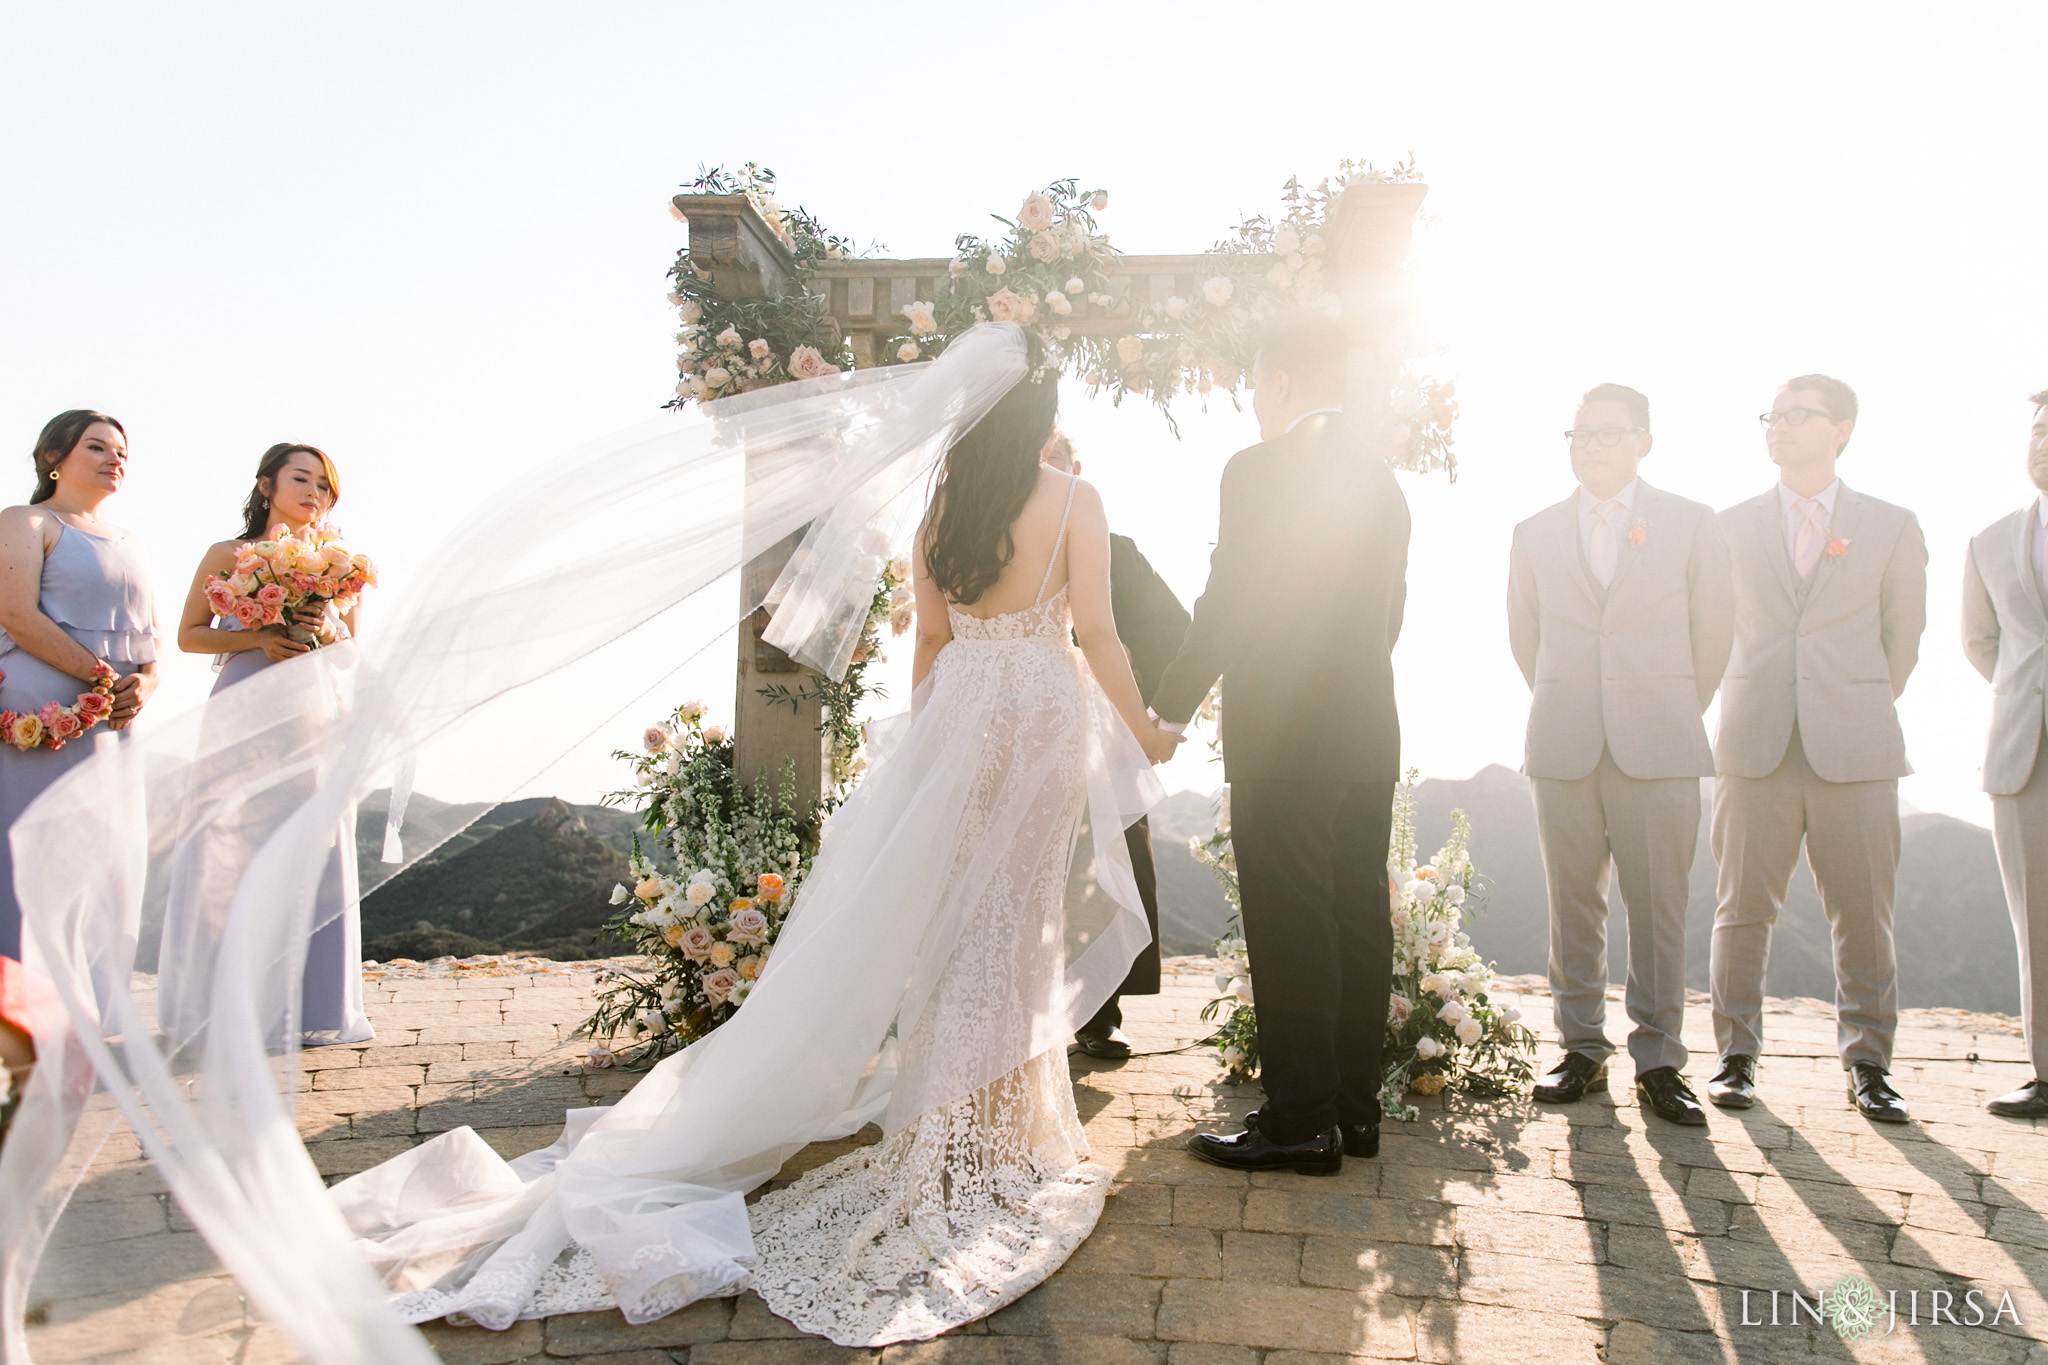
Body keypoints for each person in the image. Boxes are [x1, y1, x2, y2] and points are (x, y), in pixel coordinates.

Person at [327, 324, 1180, 1345]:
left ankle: (966, 1131)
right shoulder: (1076, 501)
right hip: (1040, 713)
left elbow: (936, 645)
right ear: (1041, 417)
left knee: (966, 927)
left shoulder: (942, 510)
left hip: (960, 717)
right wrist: (1145, 731)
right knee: (1015, 921)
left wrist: (919, 757)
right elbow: (1100, 630)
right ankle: (992, 1142)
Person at [1152, 310, 1410, 1175]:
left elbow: (1230, 597)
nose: (1254, 403)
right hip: (1369, 729)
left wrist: (1171, 707)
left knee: (1292, 921)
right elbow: (1391, 617)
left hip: (1289, 736)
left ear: (1281, 384)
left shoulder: (1258, 469)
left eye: (1256, 386)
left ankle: (1299, 1119)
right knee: (1356, 913)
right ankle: (1353, 1108)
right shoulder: (1384, 481)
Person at [1509, 384, 1732, 1126]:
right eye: (1580, 433)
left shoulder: (1694, 524)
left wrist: (1667, 705)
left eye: (1609, 433)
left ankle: (1661, 1059)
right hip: (1564, 737)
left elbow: (1714, 634)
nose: (1593, 444)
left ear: (1644, 440)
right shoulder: (1534, 531)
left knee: (1659, 906)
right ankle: (1579, 1048)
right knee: (1573, 904)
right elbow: (1525, 637)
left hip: (1661, 739)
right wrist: (1573, 696)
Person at [1707, 375, 1925, 1122]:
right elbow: (1708, 634)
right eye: (1772, 415)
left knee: (1864, 912)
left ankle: (1869, 1063)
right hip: (1753, 740)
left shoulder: (1892, 526)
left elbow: (1904, 642)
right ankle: (1735, 1055)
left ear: (1843, 428)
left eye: (1798, 416)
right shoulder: (1728, 526)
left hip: (1855, 745)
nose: (1779, 427)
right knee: (1740, 908)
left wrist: (1850, 703)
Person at [165, 443, 373, 1047]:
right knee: (234, 840)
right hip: (243, 704)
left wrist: (327, 625)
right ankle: (222, 1006)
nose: (315, 493)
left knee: (310, 841)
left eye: (325, 486)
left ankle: (314, 1005)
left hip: (312, 709)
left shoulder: (341, 564)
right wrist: (259, 636)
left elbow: (353, 652)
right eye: (301, 479)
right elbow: (188, 636)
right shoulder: (229, 554)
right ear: (266, 485)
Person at [1040, 428, 1189, 1060]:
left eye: (1060, 462)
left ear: (1079, 468)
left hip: (1106, 733)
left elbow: (1173, 627)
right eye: (1039, 461)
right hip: (1033, 728)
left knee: (1110, 861)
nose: (1050, 473)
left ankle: (1101, 1013)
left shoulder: (1117, 551)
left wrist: (1141, 709)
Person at [0, 411, 159, 962]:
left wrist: (145, 685)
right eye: (96, 447)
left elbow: (149, 638)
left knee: (104, 857)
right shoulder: (27, 521)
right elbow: (17, 615)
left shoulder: (130, 540)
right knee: (37, 854)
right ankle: (24, 1008)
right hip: (44, 713)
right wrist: (101, 677)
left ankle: (91, 1007)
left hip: (115, 722)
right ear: (52, 458)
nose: (114, 459)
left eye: (120, 452)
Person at [1961, 387, 2048, 1119]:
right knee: (2037, 919)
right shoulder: (1989, 541)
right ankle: (2046, 1072)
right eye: (2039, 431)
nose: (2044, 444)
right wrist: (2031, 696)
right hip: (2024, 750)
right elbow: (1980, 642)